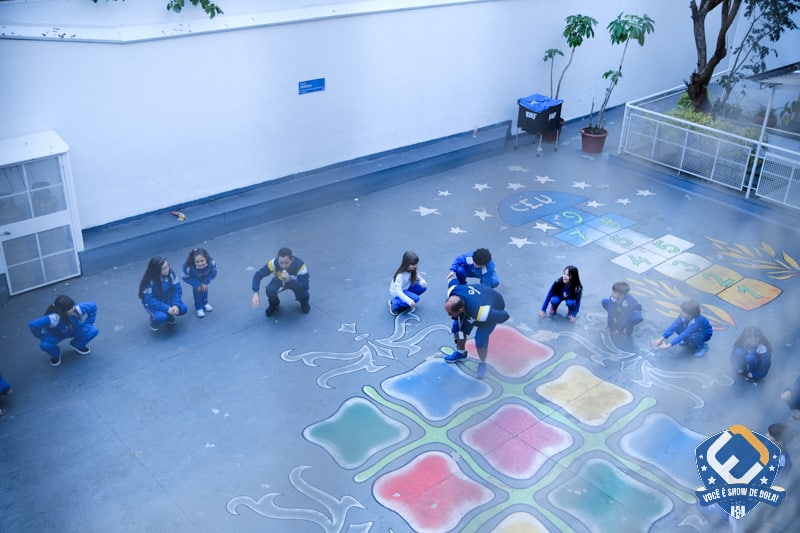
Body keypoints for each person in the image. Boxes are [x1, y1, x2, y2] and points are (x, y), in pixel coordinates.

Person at [443, 280, 510, 379]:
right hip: (474, 307)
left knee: (480, 339)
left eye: (450, 313)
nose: (449, 315)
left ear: (460, 310)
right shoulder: (453, 291)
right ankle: (461, 353)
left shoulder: (483, 313)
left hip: (490, 311)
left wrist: (489, 319)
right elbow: (453, 281)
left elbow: (505, 315)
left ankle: (482, 362)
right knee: (457, 329)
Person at [27, 295, 99, 367]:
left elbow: (93, 306)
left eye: (72, 305)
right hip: (56, 335)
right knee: (45, 345)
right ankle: (56, 353)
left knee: (93, 330)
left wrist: (88, 324)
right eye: (70, 308)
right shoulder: (53, 318)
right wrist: (42, 336)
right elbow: (33, 325)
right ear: (62, 311)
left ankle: (77, 344)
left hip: (74, 329)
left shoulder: (77, 309)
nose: (73, 308)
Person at [251, 247, 310, 316]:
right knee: (270, 289)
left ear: (292, 260)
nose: (283, 266)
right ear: (278, 260)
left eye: (286, 263)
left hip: (295, 282)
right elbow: (258, 275)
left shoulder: (301, 266)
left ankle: (304, 303)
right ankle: (274, 304)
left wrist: (290, 279)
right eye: (281, 263)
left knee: (303, 292)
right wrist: (255, 292)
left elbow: (304, 286)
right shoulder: (273, 263)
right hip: (279, 280)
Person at [138, 256, 187, 331]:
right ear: (156, 270)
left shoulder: (170, 273)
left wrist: (175, 305)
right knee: (161, 317)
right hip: (153, 304)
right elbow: (150, 300)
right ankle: (154, 320)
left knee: (183, 309)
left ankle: (169, 315)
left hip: (166, 299)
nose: (168, 269)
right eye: (164, 268)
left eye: (167, 266)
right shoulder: (149, 281)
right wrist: (167, 308)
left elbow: (177, 289)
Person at [182, 247, 218, 318]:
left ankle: (205, 303)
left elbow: (214, 272)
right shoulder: (188, 267)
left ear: (206, 258)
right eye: (197, 262)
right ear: (193, 261)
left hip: (205, 279)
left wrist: (206, 282)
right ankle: (199, 308)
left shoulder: (211, 263)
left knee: (205, 289)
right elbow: (185, 277)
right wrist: (196, 284)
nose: (200, 263)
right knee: (197, 292)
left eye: (202, 261)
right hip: (194, 279)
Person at [389, 251, 427, 316]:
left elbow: (419, 277)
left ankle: (405, 300)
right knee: (416, 298)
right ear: (407, 264)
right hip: (398, 292)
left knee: (422, 287)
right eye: (413, 264)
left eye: (416, 264)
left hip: (406, 288)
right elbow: (398, 291)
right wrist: (409, 301)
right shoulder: (400, 275)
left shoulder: (413, 269)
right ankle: (394, 303)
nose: (415, 266)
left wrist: (423, 282)